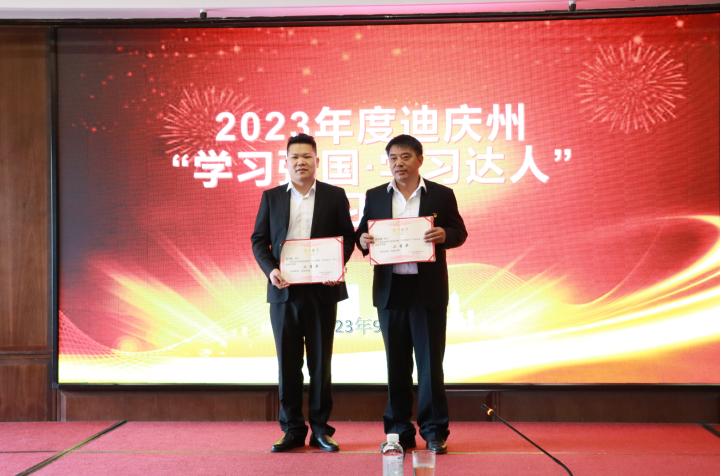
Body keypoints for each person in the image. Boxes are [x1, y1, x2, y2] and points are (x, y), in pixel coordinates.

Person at [355, 134, 467, 454]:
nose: (398, 163)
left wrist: (445, 234)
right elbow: (362, 233)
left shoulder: (441, 195)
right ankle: (399, 432)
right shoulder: (376, 195)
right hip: (391, 291)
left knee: (430, 365)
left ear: (420, 160)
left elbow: (459, 232)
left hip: (426, 290)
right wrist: (363, 241)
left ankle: (434, 431)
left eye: (405, 157)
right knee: (396, 365)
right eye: (393, 158)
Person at [251, 133, 355, 453]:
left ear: (316, 161)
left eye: (307, 156)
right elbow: (259, 240)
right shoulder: (271, 197)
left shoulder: (334, 195)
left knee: (321, 365)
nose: (301, 162)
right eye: (294, 157)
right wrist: (271, 270)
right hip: (284, 291)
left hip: (322, 292)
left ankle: (320, 430)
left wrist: (336, 266)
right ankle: (292, 429)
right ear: (285, 162)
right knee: (288, 364)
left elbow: (347, 237)